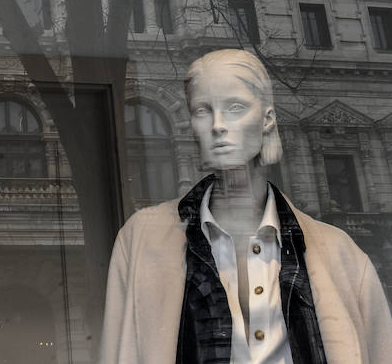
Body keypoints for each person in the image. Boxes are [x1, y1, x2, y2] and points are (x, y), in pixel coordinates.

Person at [100, 48, 392, 364]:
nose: (218, 125)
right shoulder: (141, 242)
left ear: (267, 119)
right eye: (202, 110)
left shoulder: (341, 255)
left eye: (235, 107)